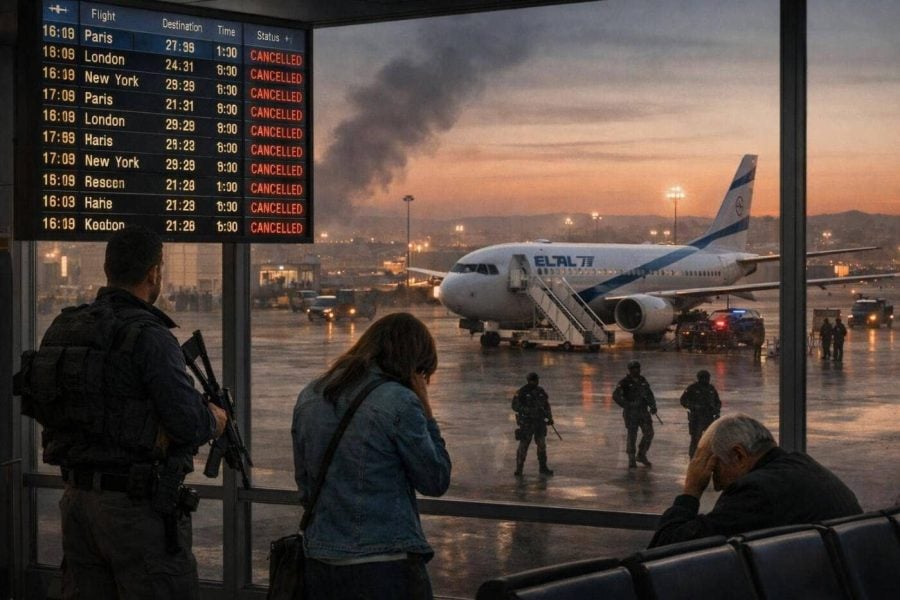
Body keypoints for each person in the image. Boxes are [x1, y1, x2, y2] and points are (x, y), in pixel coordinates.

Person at [16, 226, 227, 599]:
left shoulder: (65, 327)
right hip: (134, 511)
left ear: (107, 268)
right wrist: (216, 419)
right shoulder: (150, 336)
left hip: (78, 502)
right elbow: (188, 423)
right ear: (154, 273)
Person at [292, 312, 452, 599]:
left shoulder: (311, 394)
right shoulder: (399, 401)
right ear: (414, 366)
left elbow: (304, 484)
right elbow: (435, 479)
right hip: (384, 564)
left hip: (320, 559)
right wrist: (427, 411)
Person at [648, 414, 861, 548]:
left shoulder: (756, 492)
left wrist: (691, 491)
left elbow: (667, 550)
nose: (717, 485)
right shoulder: (802, 465)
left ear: (739, 455)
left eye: (715, 470)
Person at [613, 360, 657, 468]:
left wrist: (653, 406)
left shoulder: (643, 380)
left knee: (649, 433)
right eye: (635, 368)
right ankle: (631, 458)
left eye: (638, 368)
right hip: (631, 413)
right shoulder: (624, 382)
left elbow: (649, 394)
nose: (637, 370)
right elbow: (616, 396)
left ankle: (641, 454)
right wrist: (626, 405)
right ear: (630, 370)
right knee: (632, 435)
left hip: (643, 411)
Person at [511, 372, 554, 477]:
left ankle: (543, 467)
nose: (535, 382)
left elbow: (546, 405)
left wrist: (549, 417)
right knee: (523, 446)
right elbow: (515, 406)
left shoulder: (540, 391)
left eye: (536, 380)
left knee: (542, 446)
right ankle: (519, 469)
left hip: (539, 423)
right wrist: (527, 410)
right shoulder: (522, 392)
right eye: (533, 380)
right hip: (527, 423)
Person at [679, 370, 721, 458]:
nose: (707, 380)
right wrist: (693, 407)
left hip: (709, 417)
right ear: (700, 378)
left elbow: (717, 402)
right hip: (696, 418)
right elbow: (683, 400)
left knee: (710, 439)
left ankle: (706, 458)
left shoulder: (711, 389)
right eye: (705, 378)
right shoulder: (692, 388)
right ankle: (693, 458)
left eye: (708, 378)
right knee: (695, 439)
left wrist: (717, 411)